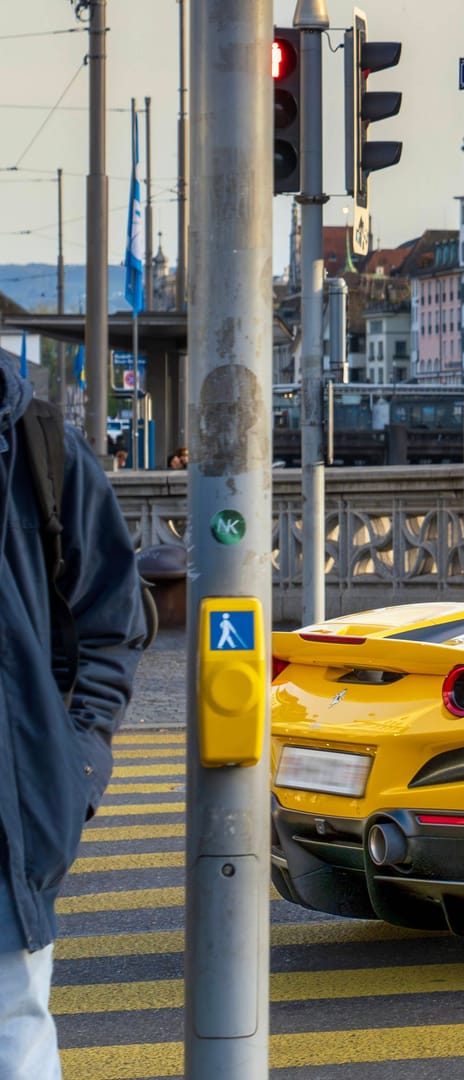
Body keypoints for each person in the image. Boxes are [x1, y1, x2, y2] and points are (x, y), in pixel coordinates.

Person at [0, 362, 145, 1075]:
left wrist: (77, 759)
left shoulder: (34, 441)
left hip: (9, 830)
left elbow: (112, 617)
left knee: (12, 1039)